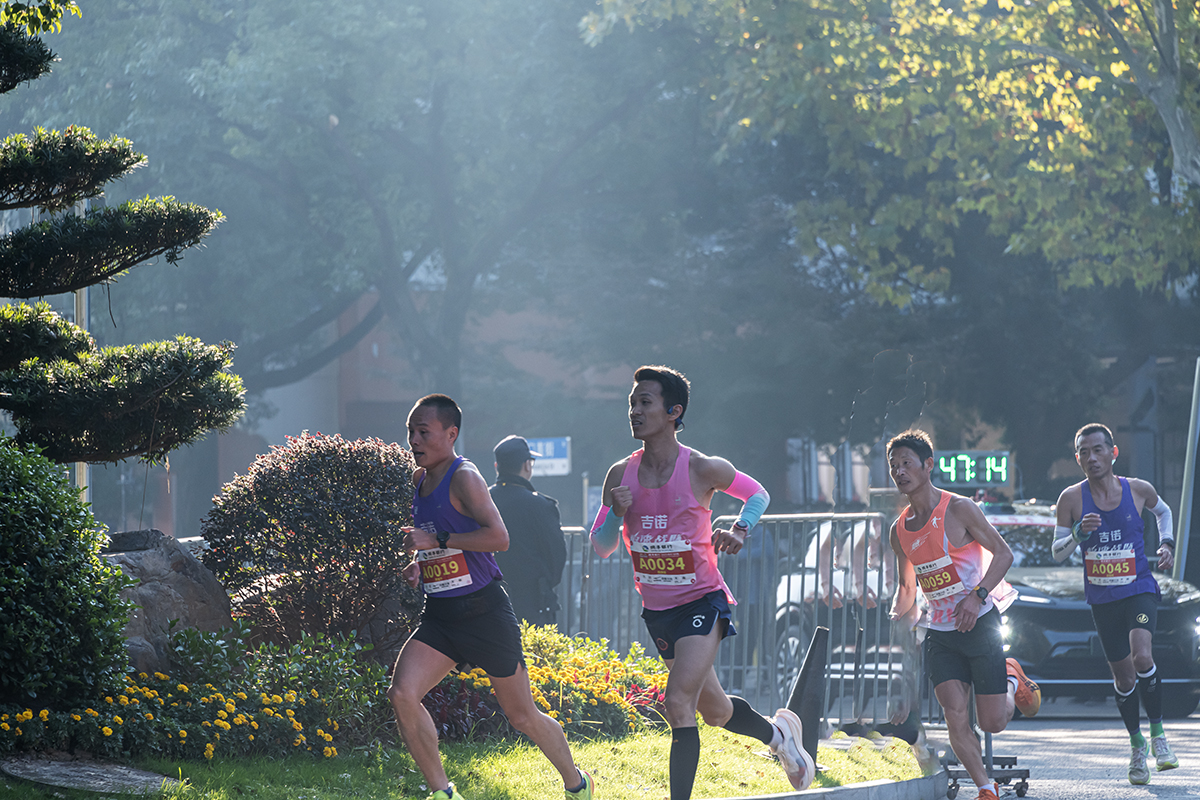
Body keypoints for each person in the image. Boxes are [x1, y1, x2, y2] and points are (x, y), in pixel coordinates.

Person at [590, 365, 813, 800]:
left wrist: (741, 529)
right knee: (716, 711)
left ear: (673, 412)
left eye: (645, 402)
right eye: (632, 403)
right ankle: (779, 736)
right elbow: (601, 546)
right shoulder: (619, 475)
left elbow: (757, 493)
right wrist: (616, 513)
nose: (634, 411)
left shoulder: (702, 467)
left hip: (701, 602)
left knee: (677, 703)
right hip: (658, 612)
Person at [387, 394, 594, 800]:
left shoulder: (465, 477)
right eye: (410, 431)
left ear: (451, 434)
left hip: (484, 613)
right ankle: (443, 793)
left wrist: (437, 540)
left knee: (522, 716)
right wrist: (421, 561)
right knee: (402, 694)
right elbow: (439, 540)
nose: (414, 440)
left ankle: (577, 784)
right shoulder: (419, 480)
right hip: (441, 616)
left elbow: (499, 538)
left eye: (423, 431)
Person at [886, 429, 1039, 800]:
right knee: (954, 715)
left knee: (992, 722)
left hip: (980, 623)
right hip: (940, 633)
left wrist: (977, 596)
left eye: (907, 462)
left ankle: (1011, 677)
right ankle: (987, 788)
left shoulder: (958, 509)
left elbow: (1003, 554)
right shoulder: (899, 530)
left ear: (928, 465)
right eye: (893, 466)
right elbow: (907, 587)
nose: (900, 471)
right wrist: (896, 616)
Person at [1052, 422, 1178, 785]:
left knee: (1142, 657)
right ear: (1077, 459)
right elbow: (1057, 552)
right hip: (1103, 597)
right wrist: (1078, 533)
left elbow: (1164, 512)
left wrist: (1166, 543)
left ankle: (1159, 737)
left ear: (1113, 453)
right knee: (1123, 677)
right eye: (1084, 452)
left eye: (1098, 450)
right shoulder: (1071, 499)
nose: (1092, 458)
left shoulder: (1137, 489)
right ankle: (1137, 746)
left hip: (1138, 588)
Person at [489, 434, 567, 626]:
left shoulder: (482, 501)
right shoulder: (540, 505)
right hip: (532, 599)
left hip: (488, 596)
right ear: (527, 465)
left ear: (497, 466)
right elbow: (556, 556)